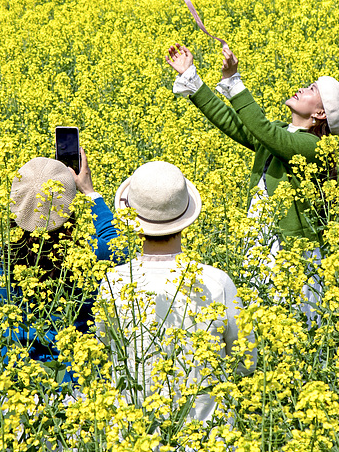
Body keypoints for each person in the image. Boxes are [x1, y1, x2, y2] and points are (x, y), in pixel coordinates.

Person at [165, 43, 339, 319]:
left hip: (292, 255)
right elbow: (234, 122)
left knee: (291, 328)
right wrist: (193, 78)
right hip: (260, 242)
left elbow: (264, 132)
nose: (302, 89)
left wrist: (234, 82)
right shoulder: (278, 133)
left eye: (311, 90)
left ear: (320, 114)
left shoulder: (313, 147)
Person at [97, 161, 255, 424]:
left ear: (129, 218)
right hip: (208, 437)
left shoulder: (115, 282)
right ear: (186, 219)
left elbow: (104, 350)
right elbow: (245, 360)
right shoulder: (216, 282)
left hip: (133, 433)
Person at [0, 148, 127, 377]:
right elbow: (119, 246)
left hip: (18, 381)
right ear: (70, 206)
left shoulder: (2, 255)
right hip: (77, 379)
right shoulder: (88, 252)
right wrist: (90, 193)